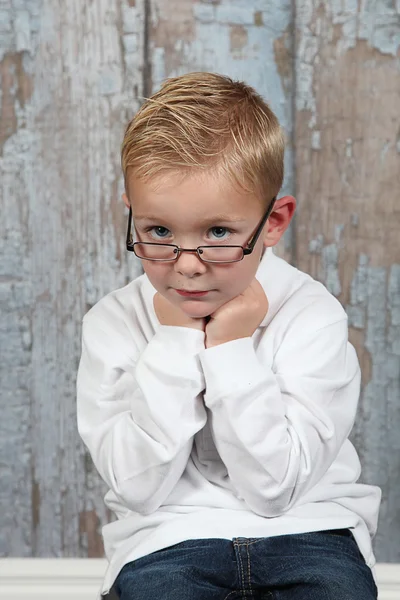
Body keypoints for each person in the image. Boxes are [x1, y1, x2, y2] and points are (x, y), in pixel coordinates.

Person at [76, 72, 381, 600]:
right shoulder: (114, 322)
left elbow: (275, 490)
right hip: (169, 537)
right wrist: (174, 344)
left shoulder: (312, 315)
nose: (188, 267)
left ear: (273, 222)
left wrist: (231, 349)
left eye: (218, 233)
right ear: (133, 215)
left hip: (309, 530)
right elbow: (139, 487)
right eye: (159, 233)